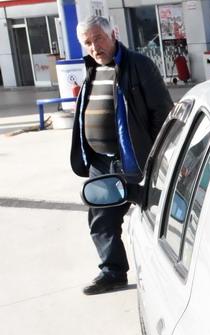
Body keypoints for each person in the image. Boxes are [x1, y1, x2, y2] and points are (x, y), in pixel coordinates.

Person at [70, 15, 172, 295]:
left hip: (137, 160)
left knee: (157, 216)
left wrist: (158, 157)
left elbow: (162, 114)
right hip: (102, 164)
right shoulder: (90, 69)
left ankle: (169, 272)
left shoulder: (139, 66)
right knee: (101, 219)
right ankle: (112, 271)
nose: (94, 47)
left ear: (113, 34)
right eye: (88, 43)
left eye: (98, 39)